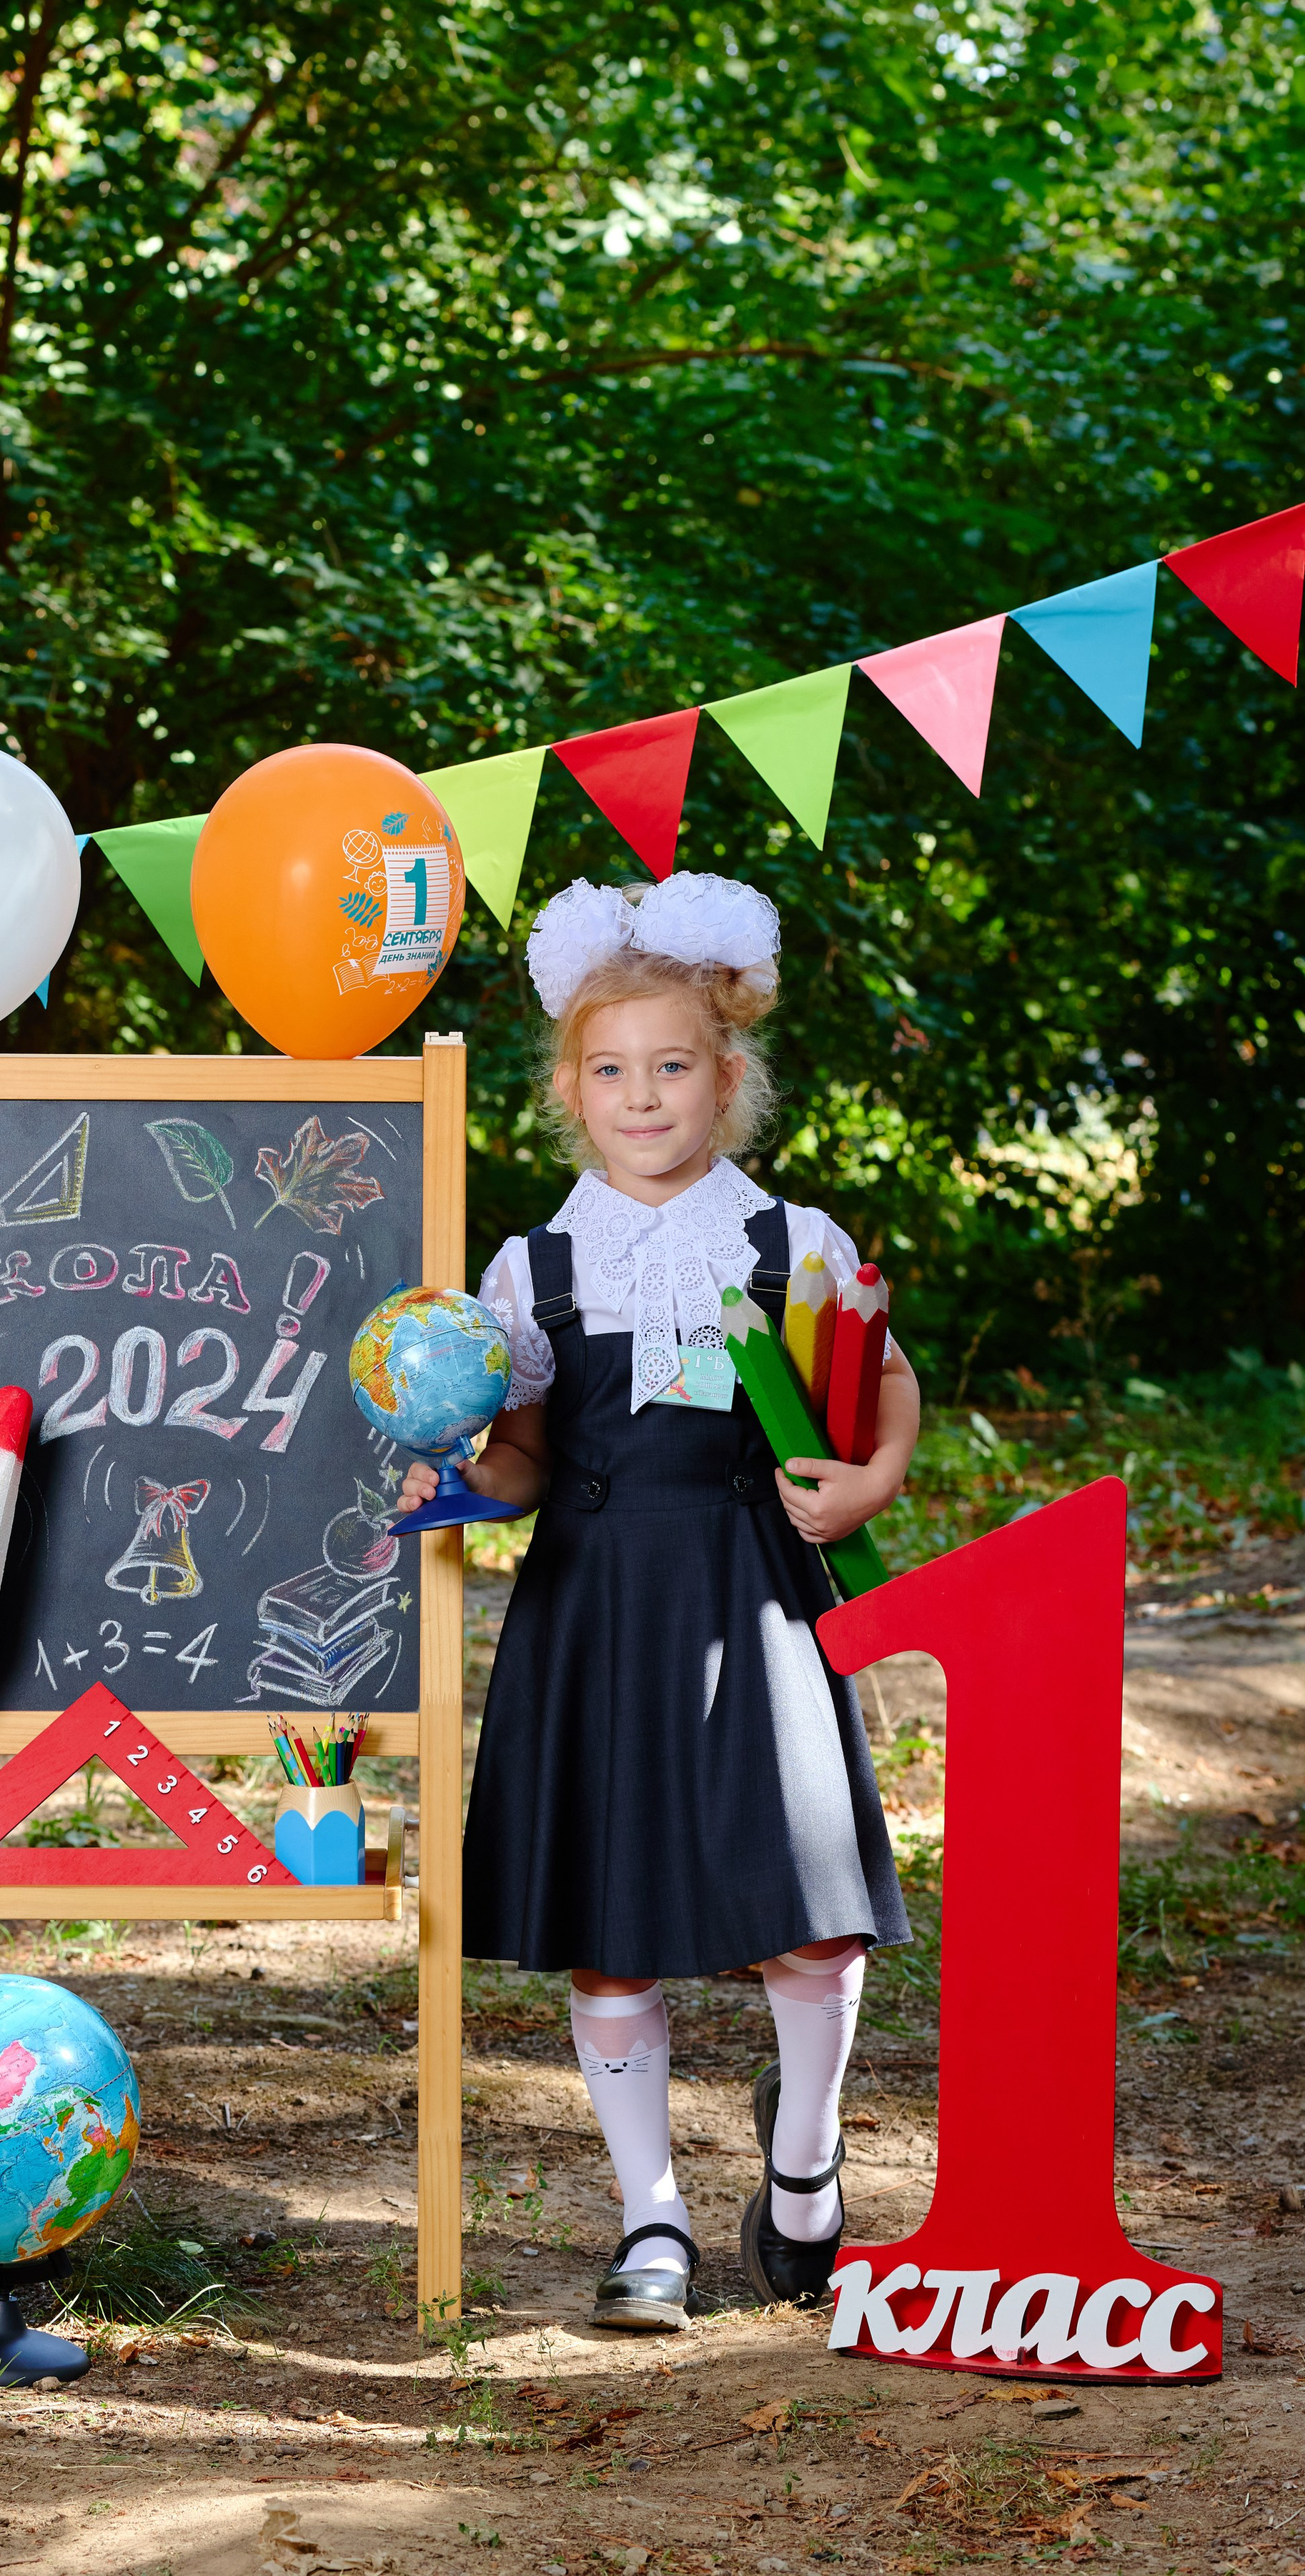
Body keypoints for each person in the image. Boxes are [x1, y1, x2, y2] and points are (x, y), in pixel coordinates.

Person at [396, 873, 919, 2329]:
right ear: (571, 1090)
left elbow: (880, 1385)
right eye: (610, 1071)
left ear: (725, 1078)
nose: (642, 1096)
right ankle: (650, 2222)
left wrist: (865, 1484)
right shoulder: (534, 1266)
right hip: (593, 1611)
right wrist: (454, 1473)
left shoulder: (786, 1244)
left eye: (671, 1067)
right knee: (607, 1928)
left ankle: (802, 2169)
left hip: (753, 1594)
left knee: (804, 1909)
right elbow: (519, 1461)